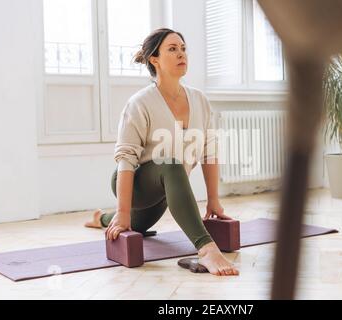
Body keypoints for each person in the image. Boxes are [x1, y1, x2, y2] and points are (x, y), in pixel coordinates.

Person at [85, 28, 239, 276]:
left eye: (183, 48)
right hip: (134, 182)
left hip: (166, 185)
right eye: (172, 49)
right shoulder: (140, 103)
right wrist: (124, 212)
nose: (181, 54)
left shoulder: (200, 101)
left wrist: (213, 200)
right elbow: (126, 159)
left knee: (139, 225)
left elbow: (210, 152)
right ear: (154, 59)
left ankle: (101, 218)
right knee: (171, 165)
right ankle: (206, 249)